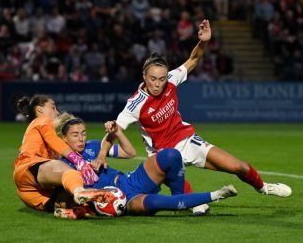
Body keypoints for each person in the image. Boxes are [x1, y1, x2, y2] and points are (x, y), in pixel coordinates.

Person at [100, 19, 292, 214]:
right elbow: (115, 130)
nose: (158, 84)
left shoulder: (172, 80)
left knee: (239, 167)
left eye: (161, 78)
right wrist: (101, 156)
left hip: (188, 141)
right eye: (153, 79)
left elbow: (193, 60)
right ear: (144, 77)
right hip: (163, 156)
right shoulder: (136, 103)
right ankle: (194, 203)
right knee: (195, 207)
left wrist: (204, 42)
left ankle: (264, 188)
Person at [54, 113, 238, 218]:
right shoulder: (62, 165)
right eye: (75, 135)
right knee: (155, 202)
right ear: (64, 138)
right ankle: (215, 195)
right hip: (121, 201)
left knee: (171, 155)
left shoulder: (93, 146)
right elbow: (66, 197)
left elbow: (129, 153)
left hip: (130, 180)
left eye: (83, 133)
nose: (81, 138)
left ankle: (182, 199)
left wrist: (118, 132)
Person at [13, 94, 116, 214]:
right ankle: (79, 192)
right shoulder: (42, 120)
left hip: (26, 188)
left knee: (64, 200)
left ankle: (64, 210)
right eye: (53, 107)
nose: (56, 112)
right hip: (30, 166)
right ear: (39, 109)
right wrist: (78, 160)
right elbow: (54, 141)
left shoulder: (35, 129)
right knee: (71, 173)